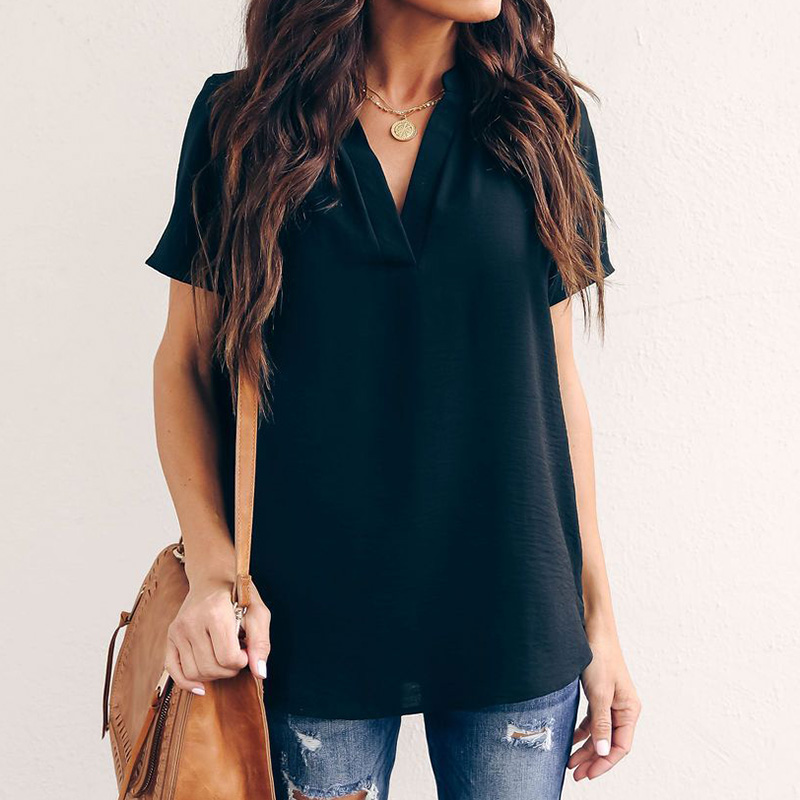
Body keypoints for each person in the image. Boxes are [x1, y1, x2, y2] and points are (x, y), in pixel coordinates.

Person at [145, 1, 641, 797]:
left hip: (513, 606)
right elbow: (184, 366)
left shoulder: (542, 122)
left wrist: (599, 622)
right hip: (306, 622)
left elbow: (555, 387)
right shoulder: (243, 122)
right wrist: (211, 575)